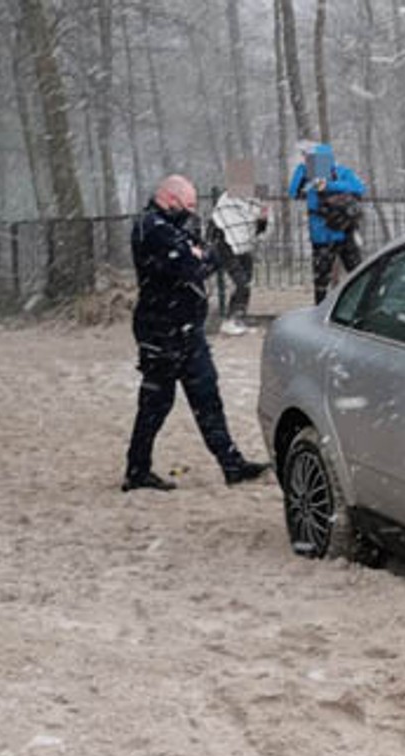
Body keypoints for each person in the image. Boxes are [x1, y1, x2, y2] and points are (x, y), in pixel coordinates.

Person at [122, 175, 270, 493]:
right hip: (161, 330)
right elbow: (193, 267)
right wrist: (202, 256)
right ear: (170, 199)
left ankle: (232, 464)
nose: (191, 212)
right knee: (156, 402)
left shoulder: (173, 228)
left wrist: (201, 254)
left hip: (187, 328)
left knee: (207, 396)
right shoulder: (154, 228)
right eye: (188, 205)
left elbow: (201, 256)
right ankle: (137, 469)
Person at [288, 142, 367, 303]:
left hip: (343, 232)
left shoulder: (341, 172)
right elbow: (293, 192)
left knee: (357, 274)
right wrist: (302, 169)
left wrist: (329, 185)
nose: (317, 165)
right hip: (322, 235)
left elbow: (359, 188)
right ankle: (322, 308)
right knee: (323, 279)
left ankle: (356, 305)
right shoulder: (307, 176)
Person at [206, 185, 268, 336]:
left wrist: (262, 219)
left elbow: (258, 228)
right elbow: (218, 221)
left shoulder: (255, 203)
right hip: (224, 242)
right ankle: (230, 320)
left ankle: (236, 317)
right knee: (240, 281)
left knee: (245, 281)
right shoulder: (227, 201)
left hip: (242, 244)